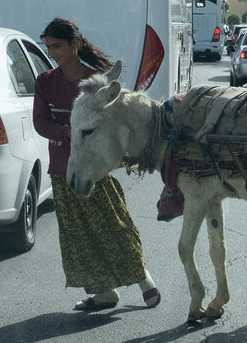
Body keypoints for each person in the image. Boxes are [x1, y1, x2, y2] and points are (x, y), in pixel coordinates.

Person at [33, 17, 161, 312]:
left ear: (75, 44)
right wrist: (69, 133)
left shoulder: (97, 82)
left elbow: (116, 121)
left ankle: (146, 282)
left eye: (58, 46)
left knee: (115, 227)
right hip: (63, 171)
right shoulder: (46, 82)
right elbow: (40, 122)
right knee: (79, 238)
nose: (53, 53)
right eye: (49, 47)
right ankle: (105, 294)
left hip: (97, 169)